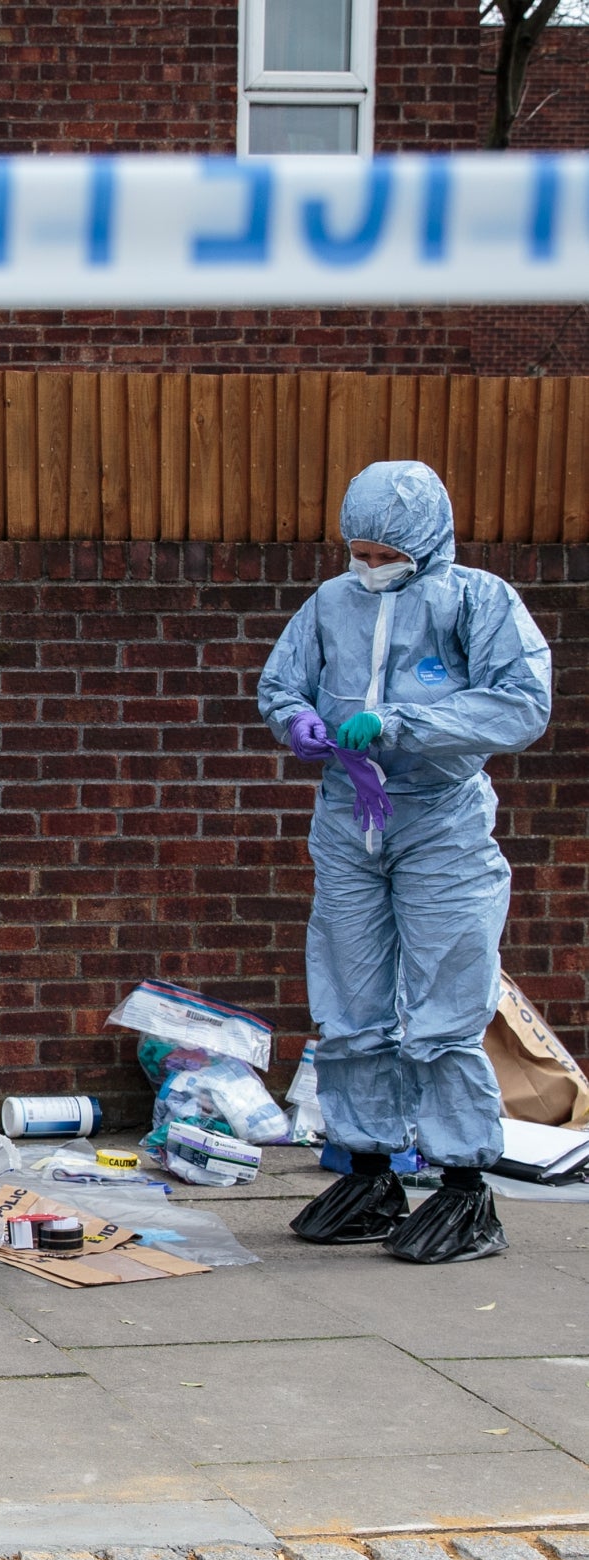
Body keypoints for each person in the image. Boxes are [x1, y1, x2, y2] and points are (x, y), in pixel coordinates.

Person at [258, 460, 553, 1264]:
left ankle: (464, 1186)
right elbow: (281, 684)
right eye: (358, 547)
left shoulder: (476, 601)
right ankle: (369, 1166)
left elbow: (521, 703)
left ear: (423, 541)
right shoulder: (330, 604)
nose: (369, 562)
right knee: (349, 1000)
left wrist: (399, 726)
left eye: (385, 550)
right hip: (348, 822)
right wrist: (299, 723)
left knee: (443, 1008)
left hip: (441, 826)